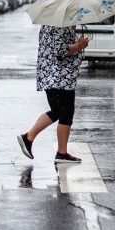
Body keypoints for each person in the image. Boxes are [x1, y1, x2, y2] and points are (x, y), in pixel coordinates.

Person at [17, 25, 89, 163]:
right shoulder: (60, 26)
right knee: (66, 113)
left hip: (53, 76)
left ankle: (28, 138)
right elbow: (60, 51)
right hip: (59, 78)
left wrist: (75, 41)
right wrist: (79, 46)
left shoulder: (51, 24)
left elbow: (58, 46)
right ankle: (60, 153)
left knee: (57, 112)